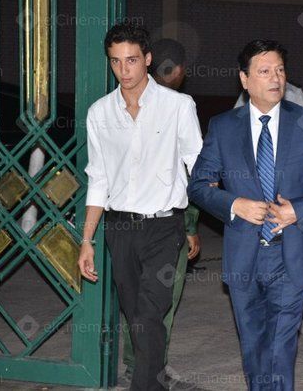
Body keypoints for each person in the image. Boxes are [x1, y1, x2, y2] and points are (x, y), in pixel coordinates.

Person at [188, 39, 303, 390]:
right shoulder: (223, 126)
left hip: (291, 251)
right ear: (244, 79)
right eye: (265, 71)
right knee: (253, 344)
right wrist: (235, 205)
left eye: (280, 70)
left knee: (280, 346)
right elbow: (197, 185)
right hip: (244, 253)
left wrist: (298, 210)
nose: (276, 78)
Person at [77, 23, 203, 391]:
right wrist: (87, 240)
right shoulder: (99, 113)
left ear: (147, 59)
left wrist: (216, 212)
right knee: (136, 317)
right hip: (119, 229)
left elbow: (198, 166)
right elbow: (98, 178)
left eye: (131, 60)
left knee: (150, 313)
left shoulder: (178, 106)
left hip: (164, 226)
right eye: (116, 62)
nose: (124, 70)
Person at [118, 37, 202, 381]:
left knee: (135, 297)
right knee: (161, 299)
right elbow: (192, 173)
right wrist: (191, 226)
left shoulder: (124, 103)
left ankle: (133, 362)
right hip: (165, 224)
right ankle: (151, 370)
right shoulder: (180, 107)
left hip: (123, 223)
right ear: (179, 70)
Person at [234, 81, 303, 108]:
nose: (275, 77)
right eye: (265, 71)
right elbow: (237, 121)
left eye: (279, 70)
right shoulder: (250, 91)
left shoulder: (294, 92)